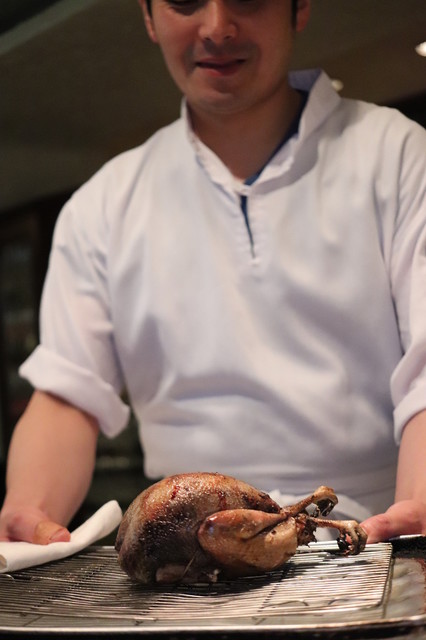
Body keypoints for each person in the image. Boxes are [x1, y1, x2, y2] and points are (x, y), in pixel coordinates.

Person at [0, 0, 425, 546]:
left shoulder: (398, 155)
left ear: (299, 7)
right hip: (180, 546)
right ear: (149, 16)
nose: (218, 27)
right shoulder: (103, 203)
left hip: (366, 536)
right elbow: (68, 392)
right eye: (184, 0)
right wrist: (29, 513)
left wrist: (414, 515)